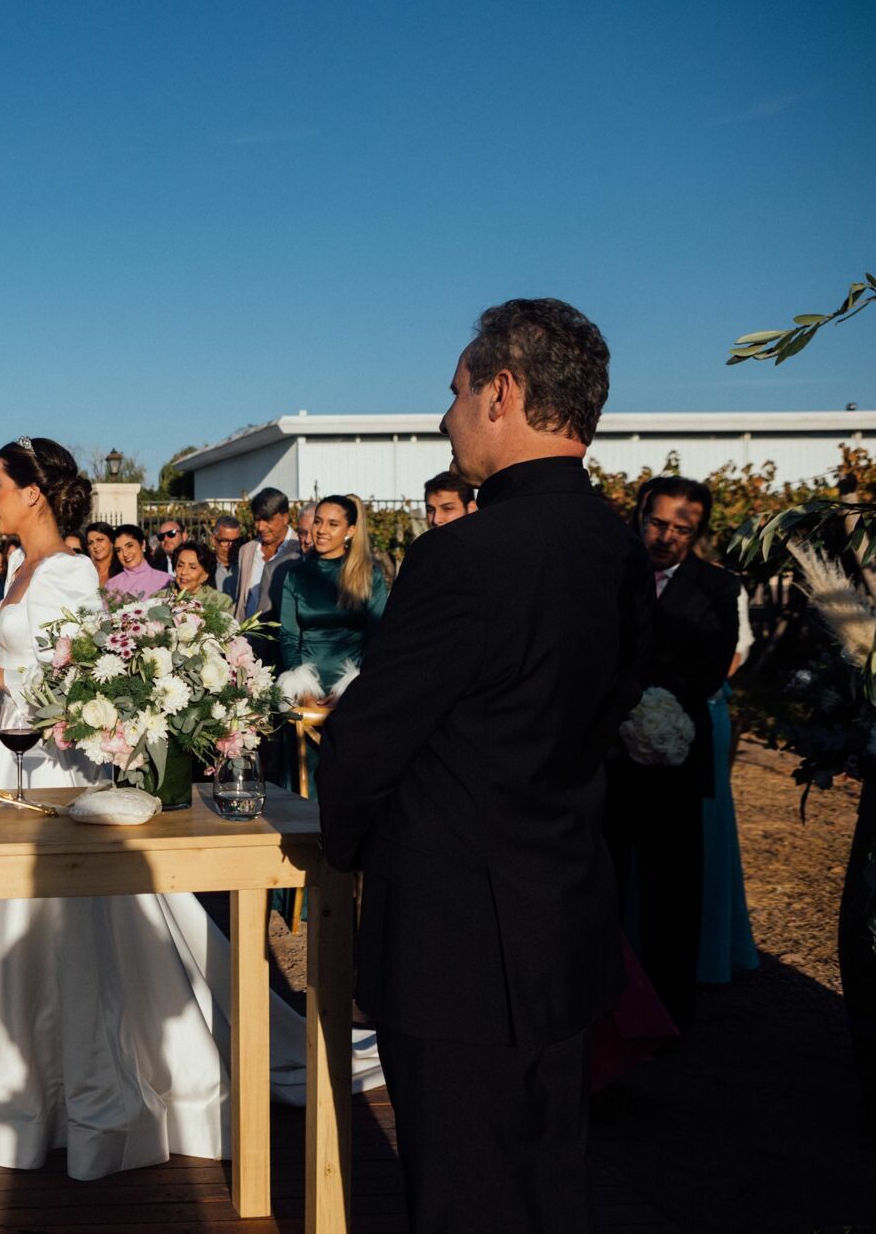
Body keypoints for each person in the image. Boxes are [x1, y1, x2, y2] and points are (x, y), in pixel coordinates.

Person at [0, 436, 381, 1180]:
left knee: (74, 918)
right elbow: (30, 668)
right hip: (8, 755)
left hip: (55, 764)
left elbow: (82, 677)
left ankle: (86, 1089)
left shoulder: (69, 570)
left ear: (34, 492)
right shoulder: (19, 566)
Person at [319, 297, 650, 1232]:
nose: (446, 415)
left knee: (462, 1193)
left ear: (501, 393)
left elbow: (367, 741)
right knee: (549, 1182)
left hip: (455, 939)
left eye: (457, 392)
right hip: (566, 915)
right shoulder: (617, 545)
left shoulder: (462, 556)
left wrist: (344, 847)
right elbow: (614, 704)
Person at [604, 475, 740, 1032]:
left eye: (682, 529)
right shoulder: (612, 574)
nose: (666, 537)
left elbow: (710, 667)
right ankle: (604, 1012)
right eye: (657, 523)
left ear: (698, 532)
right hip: (610, 758)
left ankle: (669, 1017)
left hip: (675, 757)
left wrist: (652, 710)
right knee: (605, 888)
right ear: (641, 517)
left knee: (673, 893)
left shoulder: (718, 586)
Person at [700, 586, 759, 984]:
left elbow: (734, 657)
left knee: (709, 827)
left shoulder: (723, 585)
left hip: (702, 708)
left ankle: (709, 951)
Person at [277, 494, 387, 697]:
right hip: (304, 695)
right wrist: (302, 688)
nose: (321, 530)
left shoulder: (370, 575)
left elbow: (379, 636)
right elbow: (289, 636)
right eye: (318, 521)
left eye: (333, 524)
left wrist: (351, 688)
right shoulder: (296, 576)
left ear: (350, 531)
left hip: (356, 692)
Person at [230, 488, 302, 621]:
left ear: (285, 518)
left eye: (267, 519)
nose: (260, 527)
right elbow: (241, 600)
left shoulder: (300, 549)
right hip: (246, 632)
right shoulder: (247, 551)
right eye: (257, 520)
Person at [105, 523, 171, 596]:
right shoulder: (111, 585)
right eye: (119, 550)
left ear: (143, 544)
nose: (125, 554)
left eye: (129, 546)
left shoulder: (166, 580)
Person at [209, 515, 245, 592]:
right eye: (225, 541)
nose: (231, 546)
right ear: (213, 540)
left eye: (235, 541)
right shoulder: (205, 567)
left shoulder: (246, 565)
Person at [82, 522, 121, 588]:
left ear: (112, 542)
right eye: (90, 543)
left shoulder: (124, 571)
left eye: (100, 540)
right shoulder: (84, 572)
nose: (95, 546)